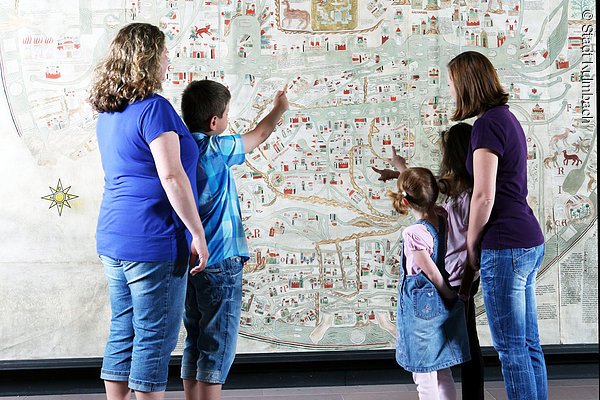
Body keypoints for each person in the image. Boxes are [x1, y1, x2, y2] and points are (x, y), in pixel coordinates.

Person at [89, 23, 209, 400]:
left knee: (124, 327)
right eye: (163, 54)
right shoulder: (155, 109)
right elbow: (171, 176)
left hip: (113, 235)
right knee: (154, 333)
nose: (168, 60)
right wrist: (198, 233)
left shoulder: (110, 112)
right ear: (148, 59)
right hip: (152, 239)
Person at [179, 79, 289, 400]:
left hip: (189, 262)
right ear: (215, 122)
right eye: (226, 114)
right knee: (219, 342)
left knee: (194, 337)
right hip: (221, 261)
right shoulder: (217, 148)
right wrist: (279, 108)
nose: (228, 120)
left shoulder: (180, 151)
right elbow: (260, 135)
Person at [448, 51, 547, 400]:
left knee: (511, 349)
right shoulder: (507, 118)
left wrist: (472, 246)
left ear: (466, 86)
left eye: (453, 86)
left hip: (505, 245)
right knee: (529, 344)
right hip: (528, 240)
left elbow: (484, 196)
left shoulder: (487, 125)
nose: (452, 95)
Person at [373, 123, 485, 400]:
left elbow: (424, 190)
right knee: (449, 357)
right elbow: (424, 188)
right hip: (457, 280)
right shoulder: (462, 190)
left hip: (454, 282)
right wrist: (399, 169)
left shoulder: (455, 197)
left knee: (439, 360)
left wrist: (459, 291)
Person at [390, 167, 470, 400]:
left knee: (423, 374)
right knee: (443, 369)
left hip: (421, 309)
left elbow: (432, 274)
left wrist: (449, 295)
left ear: (405, 201)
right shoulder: (442, 217)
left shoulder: (413, 233)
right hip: (441, 308)